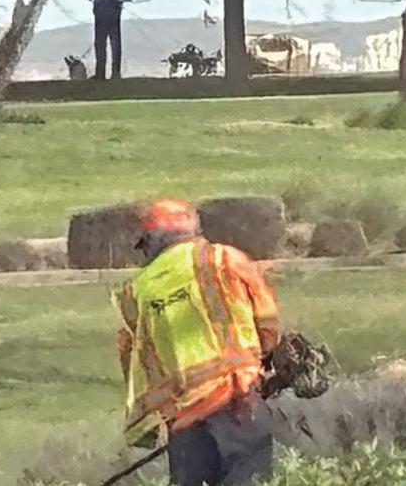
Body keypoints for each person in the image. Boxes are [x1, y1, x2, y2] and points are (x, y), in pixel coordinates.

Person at [113, 199, 283, 486]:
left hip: (184, 420)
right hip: (238, 401)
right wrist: (263, 361)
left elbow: (132, 360)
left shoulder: (135, 291)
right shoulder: (224, 259)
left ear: (154, 240)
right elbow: (268, 325)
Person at [87, 0, 134, 79]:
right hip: (105, 14)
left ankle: (109, 73)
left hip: (108, 14)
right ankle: (106, 73)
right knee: (106, 44)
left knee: (108, 44)